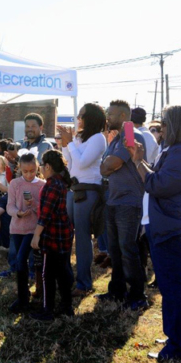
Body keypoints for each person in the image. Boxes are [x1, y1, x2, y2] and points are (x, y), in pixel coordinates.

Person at [128, 105, 181, 362]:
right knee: (172, 286)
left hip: (171, 227)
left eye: (164, 123)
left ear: (177, 125)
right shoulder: (178, 150)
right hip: (167, 224)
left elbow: (157, 184)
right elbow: (158, 178)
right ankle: (179, 335)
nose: (161, 128)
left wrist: (137, 161)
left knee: (172, 288)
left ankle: (177, 347)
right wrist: (141, 159)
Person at [97, 100, 148, 307]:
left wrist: (109, 165)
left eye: (112, 114)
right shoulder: (116, 138)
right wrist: (108, 165)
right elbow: (104, 167)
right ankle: (117, 291)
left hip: (128, 203)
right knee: (115, 250)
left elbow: (112, 163)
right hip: (113, 200)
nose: (108, 117)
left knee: (128, 249)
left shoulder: (130, 134)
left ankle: (137, 296)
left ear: (124, 117)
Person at [59, 103, 109, 298]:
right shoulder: (80, 138)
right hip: (75, 188)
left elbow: (82, 162)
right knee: (74, 236)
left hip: (88, 191)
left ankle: (84, 283)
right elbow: (71, 164)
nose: (78, 119)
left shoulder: (98, 139)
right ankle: (76, 279)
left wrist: (69, 143)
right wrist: (66, 144)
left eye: (81, 116)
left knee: (82, 237)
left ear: (91, 118)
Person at [29, 150, 75, 321]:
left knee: (48, 274)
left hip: (54, 235)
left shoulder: (52, 184)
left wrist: (36, 236)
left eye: (41, 165)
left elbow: (46, 214)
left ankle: (47, 309)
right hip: (63, 233)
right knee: (63, 272)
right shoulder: (60, 182)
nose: (40, 168)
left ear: (47, 166)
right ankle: (66, 306)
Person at [5, 153, 45, 313]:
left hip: (33, 229)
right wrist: (18, 213)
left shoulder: (42, 185)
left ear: (37, 168)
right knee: (20, 261)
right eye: (25, 171)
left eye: (32, 171)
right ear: (19, 169)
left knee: (23, 259)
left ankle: (23, 298)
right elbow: (9, 206)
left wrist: (34, 205)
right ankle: (24, 295)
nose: (29, 174)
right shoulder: (15, 183)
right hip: (17, 228)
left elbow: (43, 210)